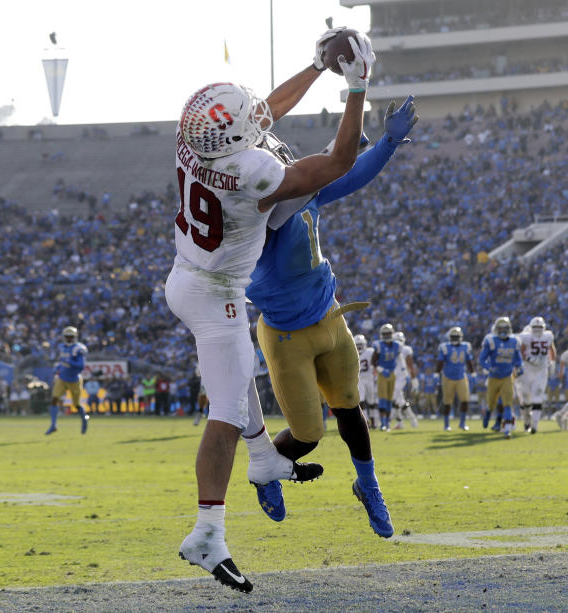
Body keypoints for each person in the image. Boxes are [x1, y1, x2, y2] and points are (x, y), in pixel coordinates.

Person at [167, 28, 375, 593]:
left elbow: (262, 114)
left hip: (187, 276)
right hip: (219, 295)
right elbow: (336, 162)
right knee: (228, 410)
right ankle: (208, 529)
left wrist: (314, 67)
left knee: (239, 380)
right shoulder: (251, 171)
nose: (259, 115)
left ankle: (264, 462)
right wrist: (355, 88)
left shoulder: (192, 140)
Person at [247, 95, 415, 537]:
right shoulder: (250, 219)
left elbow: (352, 175)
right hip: (286, 335)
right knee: (306, 434)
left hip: (329, 317)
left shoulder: (303, 193)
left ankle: (369, 485)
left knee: (350, 408)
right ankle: (265, 472)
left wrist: (387, 146)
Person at [479, 316, 524, 438]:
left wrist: (520, 367)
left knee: (507, 404)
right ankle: (488, 413)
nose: (503, 330)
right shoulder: (491, 340)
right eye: (501, 328)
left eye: (505, 328)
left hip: (507, 377)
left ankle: (507, 430)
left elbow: (518, 359)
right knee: (491, 403)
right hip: (493, 377)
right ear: (496, 329)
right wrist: (489, 367)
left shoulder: (514, 341)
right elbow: (482, 359)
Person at [516, 316, 557, 433]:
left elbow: (552, 349)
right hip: (527, 370)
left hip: (541, 370)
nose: (538, 329)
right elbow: (520, 351)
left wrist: (553, 361)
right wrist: (528, 358)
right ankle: (526, 421)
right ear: (531, 327)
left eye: (540, 327)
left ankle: (534, 425)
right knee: (525, 399)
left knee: (538, 395)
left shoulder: (548, 336)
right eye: (536, 327)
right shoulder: (526, 336)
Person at [46, 326, 89, 435]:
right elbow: (62, 363)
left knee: (76, 404)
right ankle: (53, 425)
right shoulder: (62, 347)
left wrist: (69, 362)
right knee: (54, 399)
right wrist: (58, 368)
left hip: (74, 379)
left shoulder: (78, 348)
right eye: (67, 337)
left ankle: (84, 418)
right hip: (62, 378)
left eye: (71, 337)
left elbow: (81, 366)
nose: (69, 339)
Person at [437, 326, 475, 431]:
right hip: (448, 377)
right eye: (453, 336)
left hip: (461, 376)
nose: (454, 338)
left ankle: (462, 423)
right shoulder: (445, 347)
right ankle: (446, 425)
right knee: (447, 402)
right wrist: (437, 373)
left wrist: (472, 372)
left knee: (465, 400)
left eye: (456, 336)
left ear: (460, 337)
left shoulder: (465, 347)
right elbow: (440, 361)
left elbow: (469, 360)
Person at [371, 323, 402, 431]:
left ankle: (387, 423)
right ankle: (383, 423)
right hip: (382, 374)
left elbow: (399, 359)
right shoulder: (379, 345)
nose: (387, 335)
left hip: (392, 374)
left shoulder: (397, 345)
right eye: (385, 333)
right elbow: (373, 361)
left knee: (389, 399)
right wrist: (381, 369)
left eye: (388, 333)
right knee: (383, 399)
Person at [391, 330, 419, 429]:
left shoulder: (406, 349)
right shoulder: (390, 348)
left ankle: (387, 421)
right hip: (393, 377)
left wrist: (414, 379)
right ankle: (408, 420)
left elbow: (410, 365)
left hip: (402, 377)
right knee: (400, 401)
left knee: (393, 398)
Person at [354, 334, 378, 428]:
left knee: (372, 402)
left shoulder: (370, 351)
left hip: (370, 378)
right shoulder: (353, 353)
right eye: (357, 345)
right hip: (360, 379)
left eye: (360, 344)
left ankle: (374, 421)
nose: (359, 347)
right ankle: (366, 421)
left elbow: (376, 361)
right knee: (362, 400)